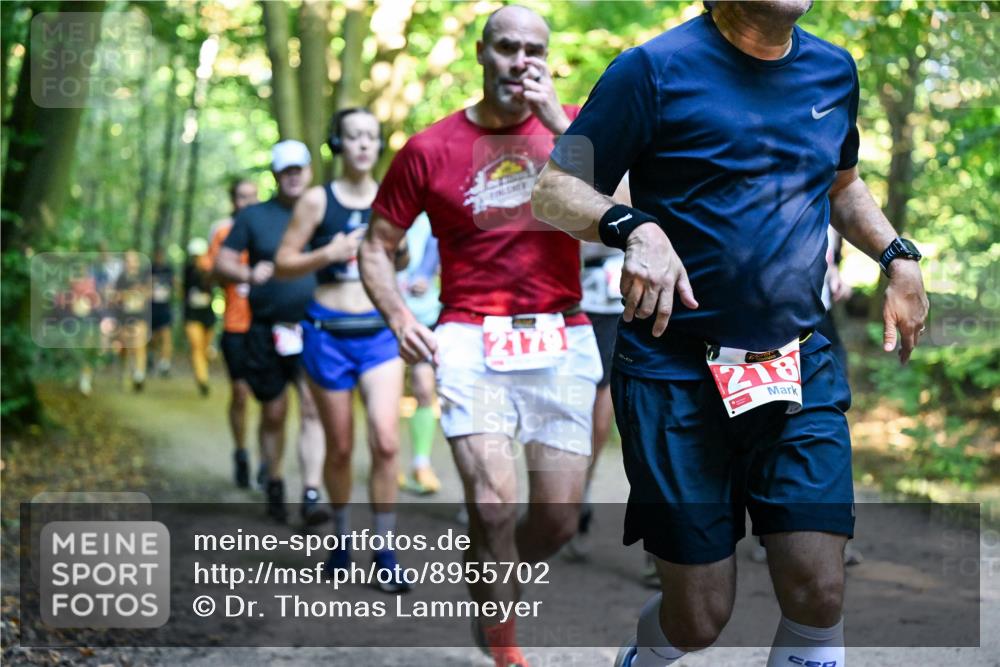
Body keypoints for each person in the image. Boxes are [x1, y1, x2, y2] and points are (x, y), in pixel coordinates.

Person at [531, 2, 930, 666]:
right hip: (672, 373)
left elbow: (841, 186)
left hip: (794, 361)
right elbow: (553, 187)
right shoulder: (648, 71)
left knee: (819, 588)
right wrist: (634, 227)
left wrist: (897, 254)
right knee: (698, 615)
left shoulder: (833, 70)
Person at [359, 7, 605, 666]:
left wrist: (561, 127)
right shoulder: (428, 148)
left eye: (533, 50)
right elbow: (377, 246)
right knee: (494, 504)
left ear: (546, 59)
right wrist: (399, 317)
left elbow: (635, 208)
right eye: (505, 47)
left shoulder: (579, 128)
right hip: (470, 337)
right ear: (482, 53)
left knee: (555, 517)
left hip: (562, 333)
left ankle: (493, 568)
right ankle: (502, 643)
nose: (519, 61)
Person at [274, 108, 411, 591]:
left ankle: (386, 550)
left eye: (370, 138)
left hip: (377, 334)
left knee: (387, 441)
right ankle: (341, 537)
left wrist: (398, 251)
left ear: (378, 145)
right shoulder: (316, 201)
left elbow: (404, 256)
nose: (362, 146)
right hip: (326, 333)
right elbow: (283, 263)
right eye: (352, 137)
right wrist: (326, 254)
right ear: (339, 144)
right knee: (341, 447)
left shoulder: (391, 197)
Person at [214, 141, 326, 524]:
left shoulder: (323, 211)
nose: (293, 175)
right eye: (286, 170)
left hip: (314, 327)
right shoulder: (254, 217)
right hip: (267, 328)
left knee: (313, 406)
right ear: (276, 175)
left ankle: (312, 493)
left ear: (309, 170)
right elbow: (222, 261)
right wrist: (247, 273)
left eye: (299, 168)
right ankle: (275, 480)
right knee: (274, 411)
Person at [203, 177, 260, 488]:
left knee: (271, 397)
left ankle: (268, 462)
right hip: (236, 326)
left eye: (253, 196)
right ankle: (241, 452)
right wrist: (226, 270)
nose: (247, 203)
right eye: (242, 197)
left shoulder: (270, 228)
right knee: (240, 393)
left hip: (267, 325)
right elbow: (209, 276)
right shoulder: (223, 232)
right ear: (233, 200)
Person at [398, 213, 443, 495]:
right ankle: (388, 460)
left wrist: (427, 276)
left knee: (425, 390)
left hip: (426, 316)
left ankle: (420, 464)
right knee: (385, 397)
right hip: (388, 317)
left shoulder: (433, 217)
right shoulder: (387, 213)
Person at [183, 237, 216, 397]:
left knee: (205, 349)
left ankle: (202, 371)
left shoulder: (210, 270)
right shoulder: (188, 271)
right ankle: (202, 379)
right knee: (196, 347)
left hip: (208, 315)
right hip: (192, 315)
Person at [115, 250, 150, 392]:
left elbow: (149, 293)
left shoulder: (143, 277)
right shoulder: (120, 279)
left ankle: (139, 375)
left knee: (140, 344)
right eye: (129, 261)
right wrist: (127, 295)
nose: (132, 264)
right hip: (123, 318)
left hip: (139, 317)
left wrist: (142, 292)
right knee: (125, 348)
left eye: (134, 260)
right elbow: (116, 297)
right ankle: (125, 371)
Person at [150, 247, 175, 377]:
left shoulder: (168, 269)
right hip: (152, 308)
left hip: (165, 308)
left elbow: (174, 285)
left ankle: (165, 363)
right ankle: (151, 357)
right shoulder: (150, 269)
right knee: (154, 338)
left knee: (166, 336)